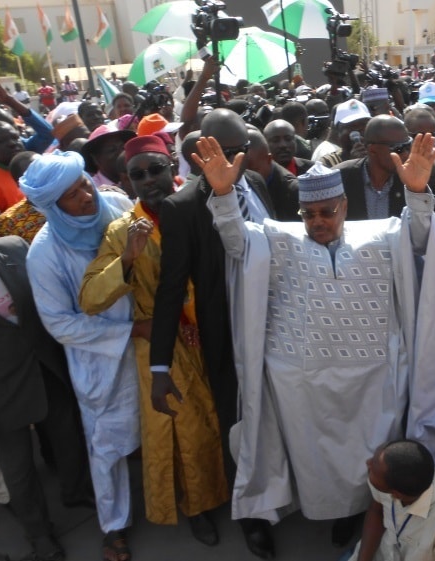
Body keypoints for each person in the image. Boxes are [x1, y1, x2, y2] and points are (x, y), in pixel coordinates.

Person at [201, 134, 435, 548]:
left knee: (369, 458)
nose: (317, 221)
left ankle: (358, 513)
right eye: (308, 214)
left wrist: (415, 190)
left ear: (344, 206)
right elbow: (237, 243)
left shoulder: (382, 233)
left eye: (326, 212)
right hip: (300, 382)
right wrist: (223, 194)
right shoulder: (277, 238)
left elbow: (420, 238)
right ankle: (322, 509)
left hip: (373, 380)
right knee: (313, 460)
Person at [78, 135, 230, 544]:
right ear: (127, 182)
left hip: (217, 332)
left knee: (230, 413)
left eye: (156, 170)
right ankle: (199, 507)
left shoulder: (205, 205)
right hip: (165, 343)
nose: (148, 181)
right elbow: (90, 299)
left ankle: (240, 491)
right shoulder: (122, 230)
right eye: (137, 175)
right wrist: (127, 257)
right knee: (187, 430)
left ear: (172, 170)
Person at [149, 108, 275, 559]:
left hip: (277, 321)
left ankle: (281, 492)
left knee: (276, 415)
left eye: (242, 151)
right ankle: (253, 517)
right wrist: (159, 366)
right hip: (228, 335)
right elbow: (169, 289)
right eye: (226, 152)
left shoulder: (256, 185)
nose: (237, 160)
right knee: (237, 423)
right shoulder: (181, 208)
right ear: (203, 154)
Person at [0, 216, 93, 561]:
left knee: (69, 438)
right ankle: (39, 534)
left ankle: (76, 492)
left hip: (49, 372)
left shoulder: (14, 248)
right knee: (19, 471)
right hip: (1, 394)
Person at [21, 152, 139, 561]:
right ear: (53, 206)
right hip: (101, 361)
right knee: (106, 448)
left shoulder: (118, 207)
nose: (86, 197)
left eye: (84, 185)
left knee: (167, 427)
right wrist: (127, 332)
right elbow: (60, 325)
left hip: (150, 344)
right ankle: (115, 526)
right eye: (71, 195)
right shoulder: (45, 254)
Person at [348, 440, 435, 561]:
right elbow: (377, 510)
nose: (368, 463)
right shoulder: (390, 474)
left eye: (373, 468)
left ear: (396, 494)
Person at [334, 115, 435, 219]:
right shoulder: (340, 178)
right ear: (372, 150)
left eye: (407, 146)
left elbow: (425, 233)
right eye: (398, 148)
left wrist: (418, 191)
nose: (406, 154)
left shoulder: (414, 181)